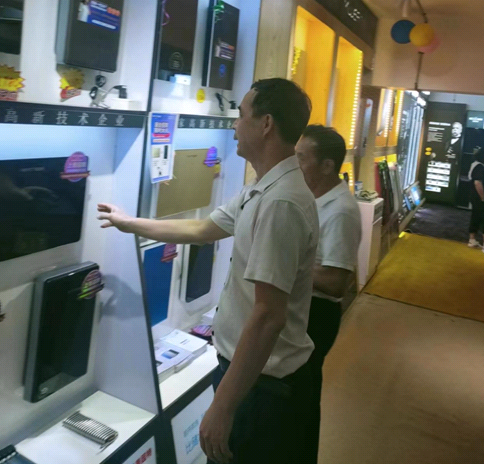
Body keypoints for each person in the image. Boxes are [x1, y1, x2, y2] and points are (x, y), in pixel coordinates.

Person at [98, 78, 319, 464]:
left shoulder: (280, 203)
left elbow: (269, 316)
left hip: (263, 390)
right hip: (250, 377)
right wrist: (129, 223)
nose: (234, 125)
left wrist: (223, 406)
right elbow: (202, 229)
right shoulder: (261, 189)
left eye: (241, 115)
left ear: (266, 124)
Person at [295, 125, 362, 464]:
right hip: (303, 310)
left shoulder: (340, 211)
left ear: (326, 165)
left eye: (301, 158)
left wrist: (282, 265)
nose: (294, 165)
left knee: (301, 399)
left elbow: (337, 281)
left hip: (316, 316)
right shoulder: (311, 197)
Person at [468, 146, 484, 255]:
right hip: (479, 197)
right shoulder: (479, 167)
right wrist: (483, 197)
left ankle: (472, 240)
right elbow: (477, 183)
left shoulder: (475, 165)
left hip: (474, 196)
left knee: (475, 216)